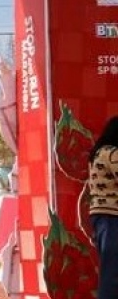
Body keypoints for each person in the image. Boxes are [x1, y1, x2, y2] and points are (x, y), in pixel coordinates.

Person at [88, 116, 118, 299]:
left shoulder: (100, 152)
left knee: (111, 268)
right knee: (113, 272)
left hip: (104, 216)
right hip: (112, 217)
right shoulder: (112, 153)